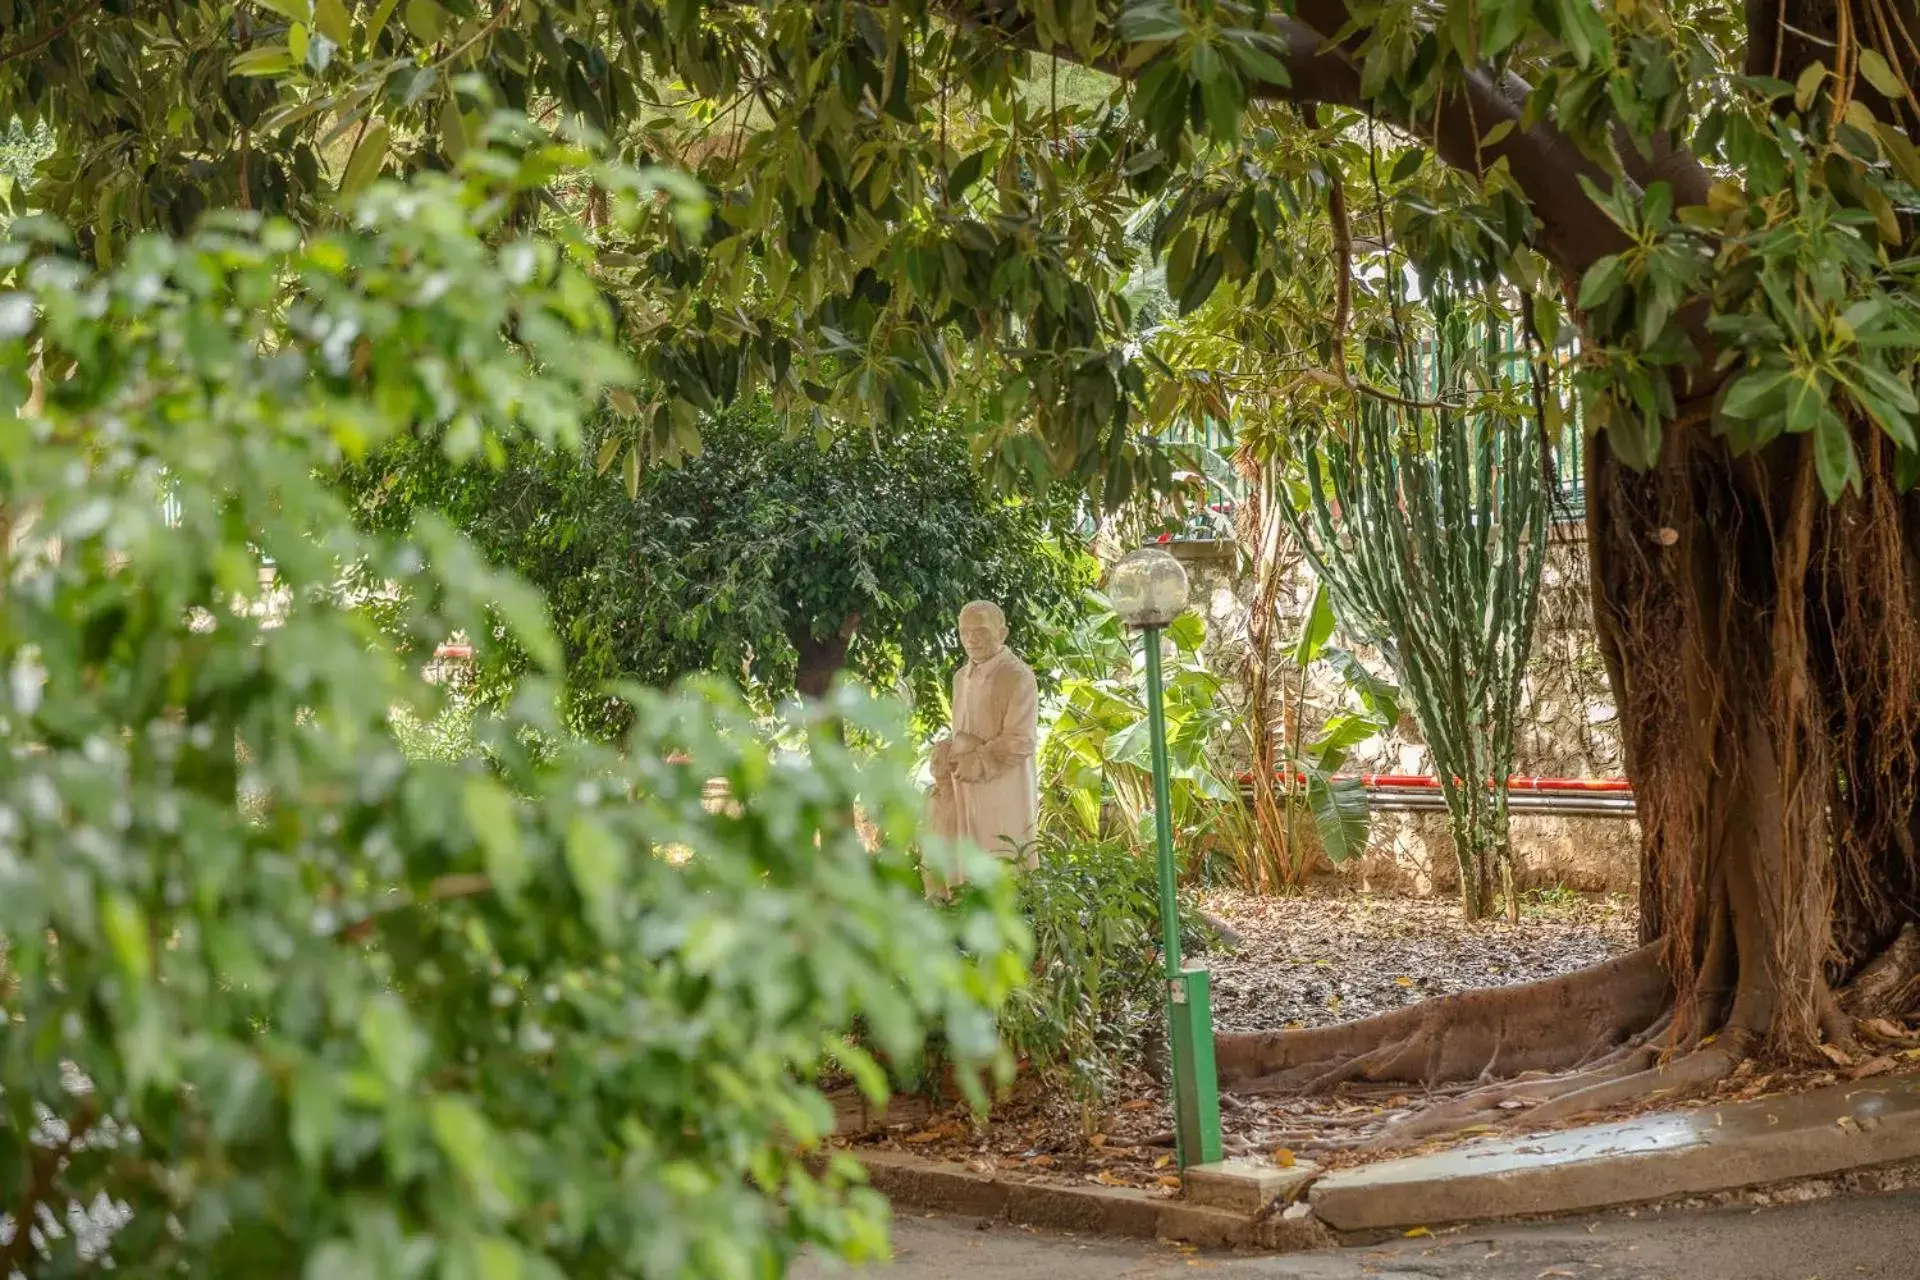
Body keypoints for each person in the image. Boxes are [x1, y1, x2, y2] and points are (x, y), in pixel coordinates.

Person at [926, 600, 1040, 888]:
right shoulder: (960, 677)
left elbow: (1021, 740)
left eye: (981, 631)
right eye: (964, 632)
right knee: (964, 863)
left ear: (1002, 633)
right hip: (963, 786)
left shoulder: (1017, 676)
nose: (971, 639)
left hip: (1003, 787)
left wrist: (977, 761)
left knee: (1002, 858)